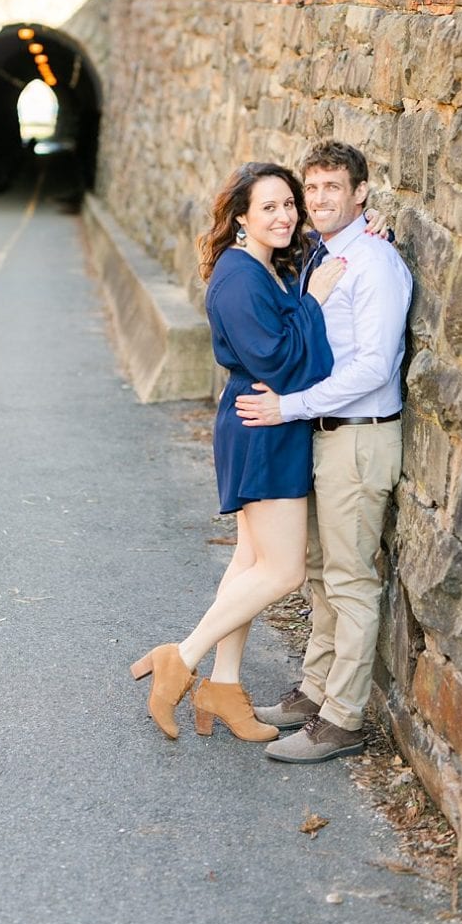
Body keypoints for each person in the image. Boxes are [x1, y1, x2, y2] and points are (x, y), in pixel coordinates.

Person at [130, 161, 346, 742]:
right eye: (269, 207)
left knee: (249, 563)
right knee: (284, 569)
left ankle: (223, 687)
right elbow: (279, 360)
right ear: (242, 217)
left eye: (289, 205)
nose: (284, 215)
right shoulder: (239, 275)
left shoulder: (268, 268)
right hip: (261, 425)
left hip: (267, 422)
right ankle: (183, 656)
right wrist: (315, 304)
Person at [233, 141, 413, 764]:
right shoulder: (322, 257)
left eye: (334, 187)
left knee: (351, 581)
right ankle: (314, 692)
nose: (320, 200)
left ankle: (341, 720)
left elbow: (373, 366)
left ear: (361, 192)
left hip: (359, 436)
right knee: (317, 572)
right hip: (323, 434)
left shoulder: (375, 264)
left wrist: (290, 406)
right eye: (313, 189)